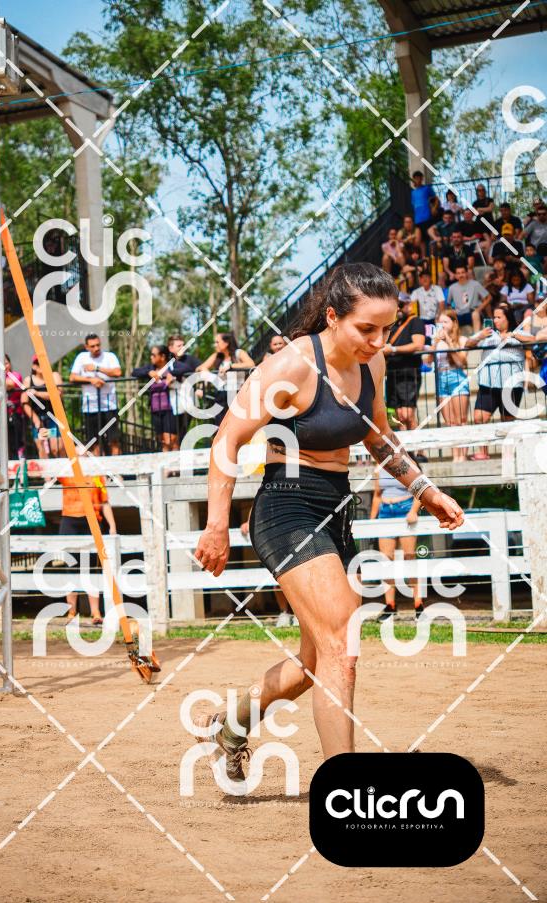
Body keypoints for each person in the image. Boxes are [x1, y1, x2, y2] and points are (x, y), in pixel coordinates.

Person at [193, 262, 463, 777]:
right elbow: (227, 439)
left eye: (386, 329)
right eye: (367, 329)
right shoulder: (291, 366)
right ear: (334, 317)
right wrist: (217, 524)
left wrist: (424, 490)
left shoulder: (371, 364)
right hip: (287, 507)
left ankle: (230, 724)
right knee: (342, 647)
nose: (378, 341)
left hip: (337, 509)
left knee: (317, 659)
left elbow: (377, 437)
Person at [370, 421, 424, 621]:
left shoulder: (409, 463)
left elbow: (420, 491)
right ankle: (390, 606)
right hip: (385, 511)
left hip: (404, 509)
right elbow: (377, 495)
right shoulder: (379, 466)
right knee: (386, 560)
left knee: (409, 557)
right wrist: (372, 520)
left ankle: (418, 604)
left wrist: (413, 511)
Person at [467, 302, 534, 459]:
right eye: (494, 317)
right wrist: (480, 336)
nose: (495, 320)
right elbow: (467, 343)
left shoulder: (518, 333)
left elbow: (533, 340)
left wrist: (513, 335)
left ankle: (508, 454)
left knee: (507, 421)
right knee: (479, 418)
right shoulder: (488, 333)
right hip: (488, 383)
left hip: (511, 385)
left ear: (507, 318)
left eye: (498, 317)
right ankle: (483, 452)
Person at [58, 465, 117, 625]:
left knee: (91, 568)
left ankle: (95, 612)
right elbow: (51, 474)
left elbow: (104, 502)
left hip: (92, 520)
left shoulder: (97, 476)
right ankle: (71, 612)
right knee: (71, 566)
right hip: (70, 520)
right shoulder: (68, 470)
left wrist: (112, 525)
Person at [239, 511, 297, 627]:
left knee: (297, 578)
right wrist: (249, 522)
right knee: (278, 579)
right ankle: (284, 613)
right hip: (274, 539)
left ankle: (298, 614)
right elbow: (256, 504)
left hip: (293, 532)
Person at [426, 311, 470, 460]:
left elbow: (461, 362)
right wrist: (435, 343)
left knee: (461, 421)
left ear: (454, 323)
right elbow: (428, 361)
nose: (442, 325)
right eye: (440, 322)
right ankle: (455, 456)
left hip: (456, 377)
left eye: (445, 322)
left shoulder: (462, 339)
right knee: (450, 423)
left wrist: (449, 342)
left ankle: (462, 456)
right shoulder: (437, 341)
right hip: (441, 378)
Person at [70, 334, 122, 455]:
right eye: (92, 346)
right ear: (86, 347)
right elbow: (72, 377)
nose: (96, 348)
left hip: (110, 405)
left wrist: (97, 368)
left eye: (98, 345)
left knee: (113, 440)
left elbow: (118, 372)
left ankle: (116, 466)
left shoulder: (110, 356)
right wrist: (91, 380)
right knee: (94, 442)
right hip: (90, 407)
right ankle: (98, 467)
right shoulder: (81, 357)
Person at [383, 294, 426, 435]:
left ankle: (418, 446)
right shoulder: (392, 325)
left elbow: (418, 345)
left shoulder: (415, 321)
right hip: (392, 373)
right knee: (399, 417)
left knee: (408, 415)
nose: (398, 308)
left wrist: (393, 350)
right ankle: (406, 448)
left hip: (409, 372)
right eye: (396, 305)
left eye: (401, 304)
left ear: (409, 305)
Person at [196, 332, 255, 426]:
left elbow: (251, 364)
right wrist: (205, 372)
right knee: (220, 425)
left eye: (217, 342)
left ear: (226, 343)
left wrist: (231, 366)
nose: (215, 345)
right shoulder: (217, 355)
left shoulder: (238, 353)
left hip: (237, 394)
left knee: (236, 425)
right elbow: (199, 368)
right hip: (221, 394)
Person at [132, 345, 177, 452]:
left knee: (170, 440)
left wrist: (171, 377)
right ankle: (166, 463)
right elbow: (134, 372)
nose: (151, 357)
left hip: (170, 409)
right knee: (162, 441)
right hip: (155, 409)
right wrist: (148, 372)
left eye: (153, 355)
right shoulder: (151, 368)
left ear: (162, 356)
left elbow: (186, 369)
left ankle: (176, 462)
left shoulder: (171, 368)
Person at [21, 355, 63, 459]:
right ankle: (46, 471)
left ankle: (65, 469)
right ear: (34, 366)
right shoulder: (28, 380)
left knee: (56, 448)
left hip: (54, 418)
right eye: (39, 363)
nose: (42, 366)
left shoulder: (54, 376)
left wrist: (37, 393)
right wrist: (36, 420)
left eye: (44, 362)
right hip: (39, 419)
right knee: (42, 449)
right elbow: (24, 402)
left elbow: (58, 394)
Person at [167, 334, 202, 444]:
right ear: (170, 348)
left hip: (188, 399)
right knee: (171, 434)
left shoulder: (190, 359)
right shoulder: (166, 361)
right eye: (179, 346)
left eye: (183, 345)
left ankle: (182, 449)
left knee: (183, 431)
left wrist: (200, 388)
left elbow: (201, 371)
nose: (182, 347)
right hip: (170, 401)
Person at [446, 265, 489, 331]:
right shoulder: (452, 288)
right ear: (455, 275)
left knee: (475, 314)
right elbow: (448, 304)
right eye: (458, 273)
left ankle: (477, 336)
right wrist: (452, 310)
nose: (461, 275)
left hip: (472, 312)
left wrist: (478, 309)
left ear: (466, 273)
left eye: (463, 272)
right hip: (459, 314)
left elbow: (489, 298)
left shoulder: (475, 284)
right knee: (449, 318)